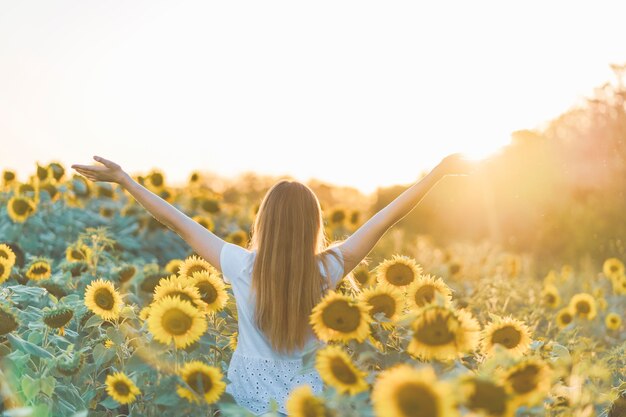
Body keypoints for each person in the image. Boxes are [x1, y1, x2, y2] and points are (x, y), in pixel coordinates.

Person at [71, 154, 474, 416]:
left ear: (263, 221)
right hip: (310, 396)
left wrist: (125, 180)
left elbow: (176, 220)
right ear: (314, 224)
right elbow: (387, 217)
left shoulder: (239, 264)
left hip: (247, 395)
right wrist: (437, 174)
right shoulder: (330, 268)